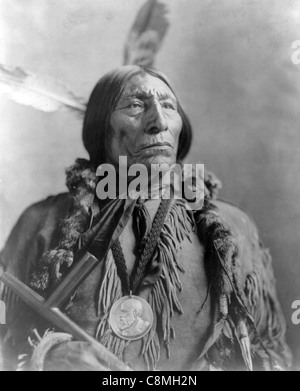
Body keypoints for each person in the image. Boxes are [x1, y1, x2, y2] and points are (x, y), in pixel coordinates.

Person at [0, 65, 292, 371]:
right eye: (136, 105)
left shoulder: (230, 228)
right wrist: (46, 357)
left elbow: (269, 352)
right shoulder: (44, 223)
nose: (159, 121)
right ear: (102, 127)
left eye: (168, 106)